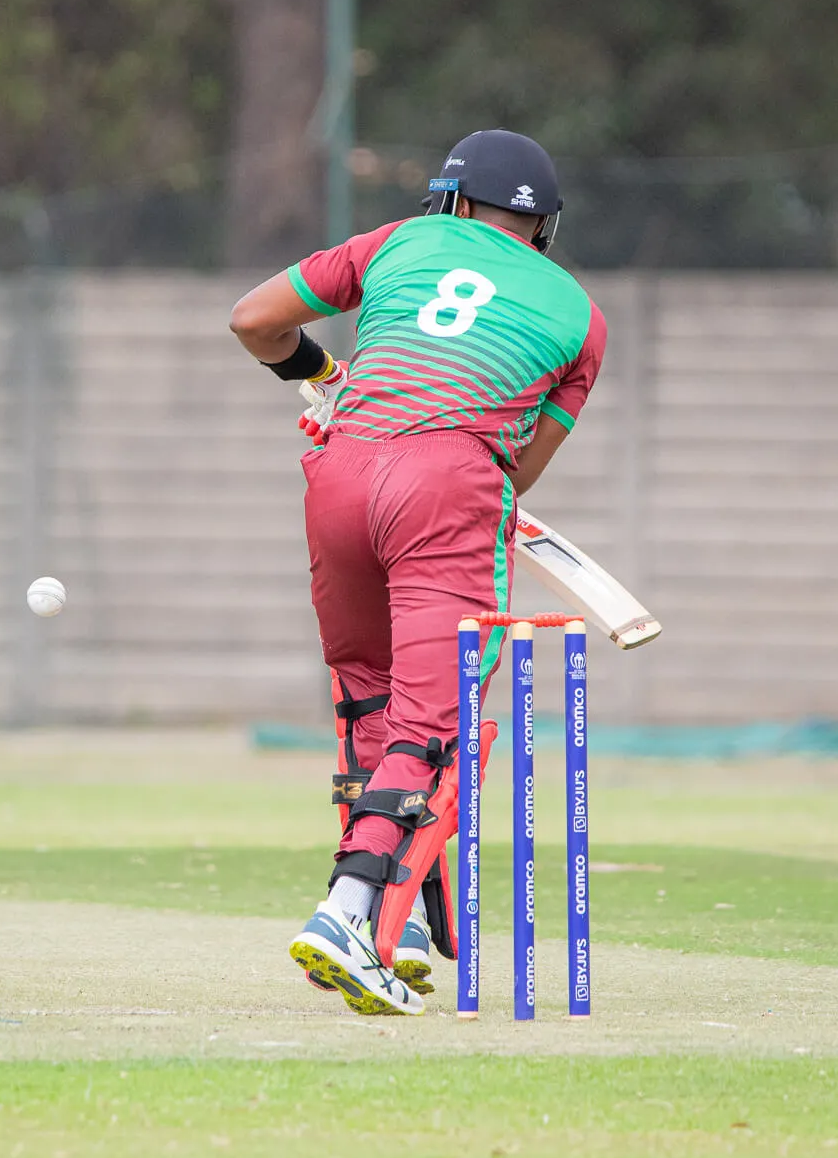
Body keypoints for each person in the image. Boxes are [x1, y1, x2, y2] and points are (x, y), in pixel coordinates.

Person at [230, 130, 606, 1015]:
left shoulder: (400, 240)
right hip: (448, 489)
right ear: (543, 227)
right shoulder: (582, 318)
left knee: (368, 696)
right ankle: (345, 912)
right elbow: (518, 473)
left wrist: (333, 379)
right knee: (433, 726)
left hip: (340, 468)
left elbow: (254, 321)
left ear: (455, 200)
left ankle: (389, 921)